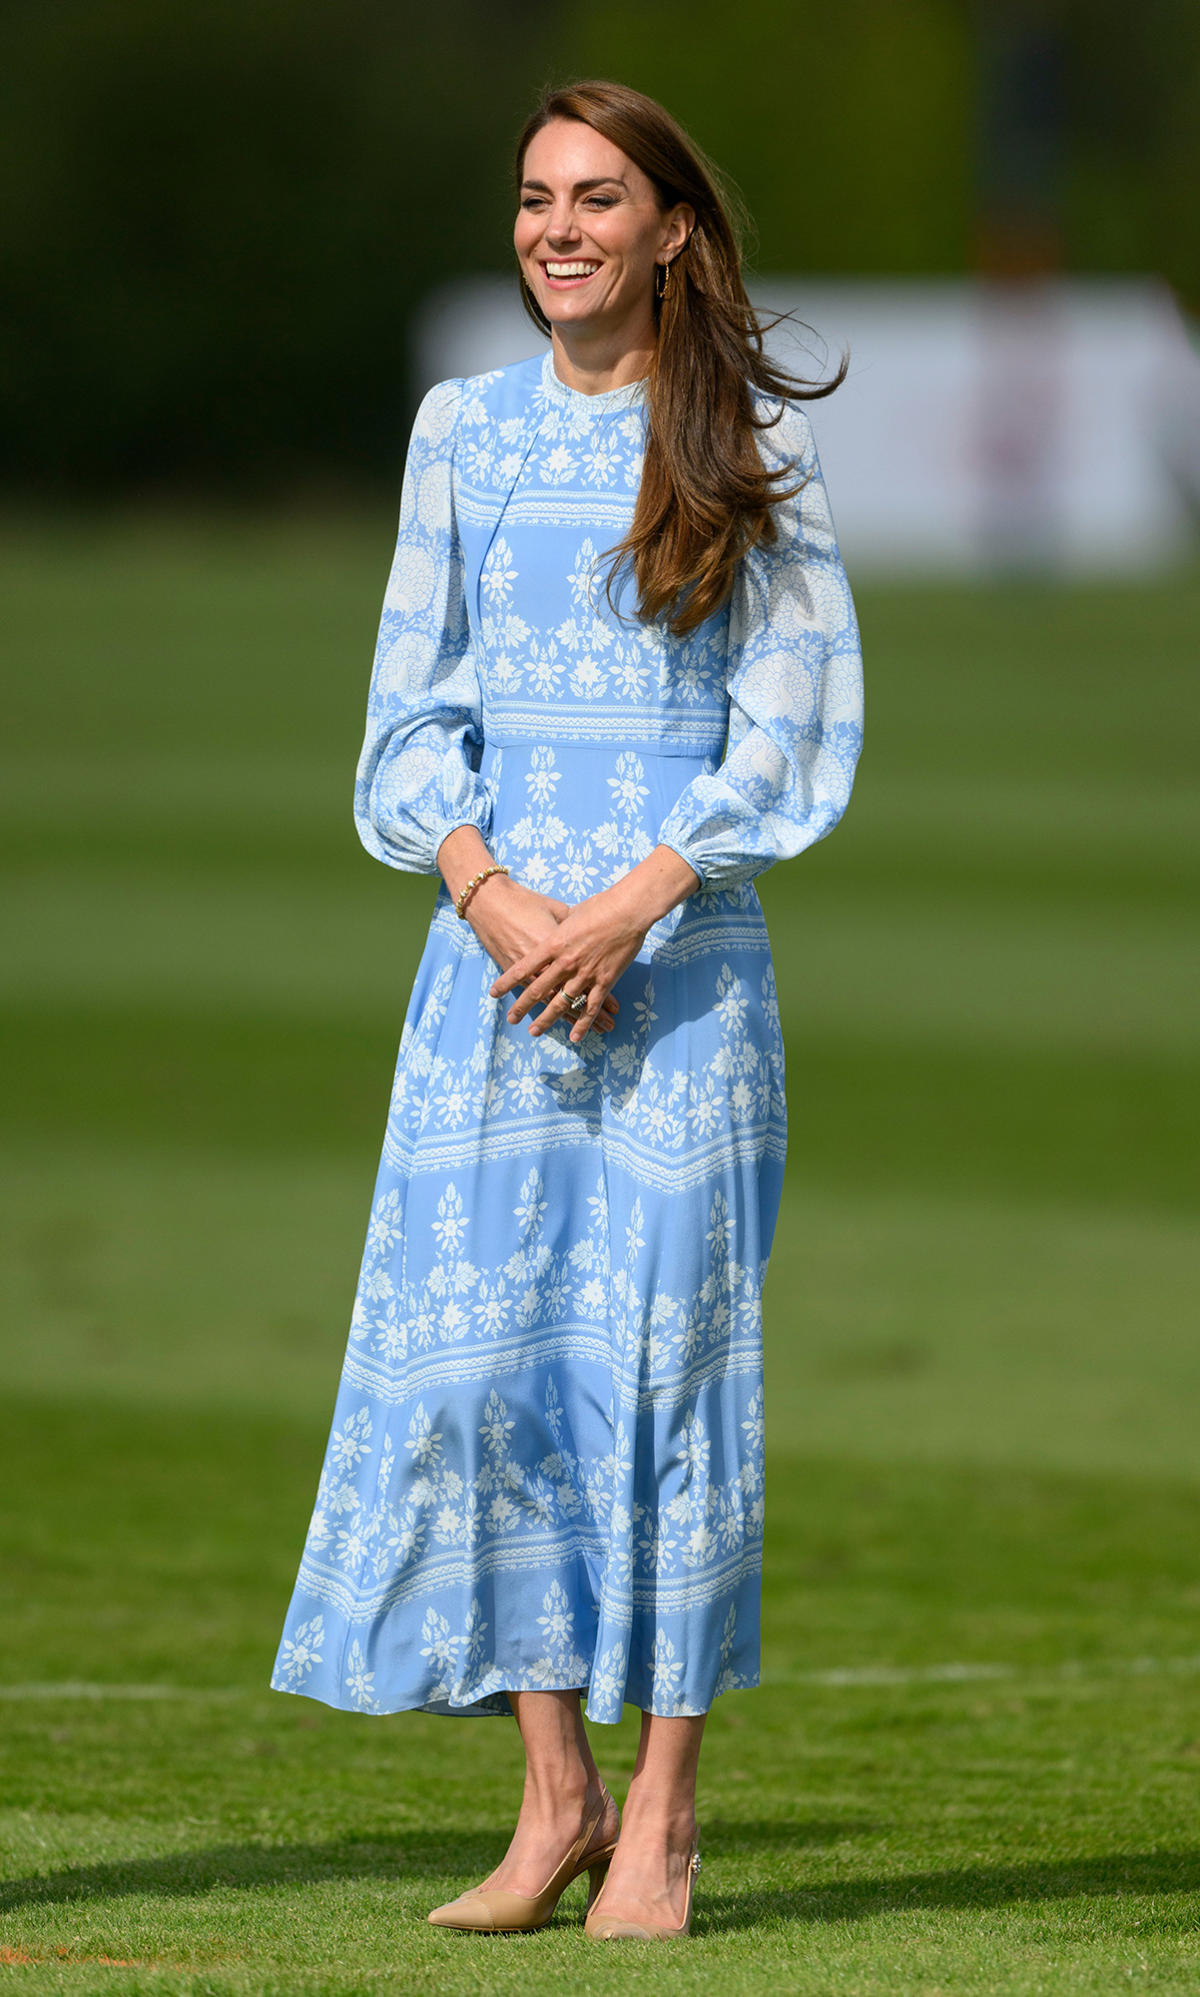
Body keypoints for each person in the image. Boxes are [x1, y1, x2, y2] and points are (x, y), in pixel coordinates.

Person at [271, 77, 864, 1941]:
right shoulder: (462, 431)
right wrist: (500, 898)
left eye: (599, 197)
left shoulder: (748, 441)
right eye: (536, 197)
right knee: (490, 1381)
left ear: (672, 228)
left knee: (669, 1381)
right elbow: (408, 709)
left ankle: (669, 1818)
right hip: (495, 977)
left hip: (677, 983)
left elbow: (794, 721)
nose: (558, 228)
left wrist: (623, 906)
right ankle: (554, 1801)